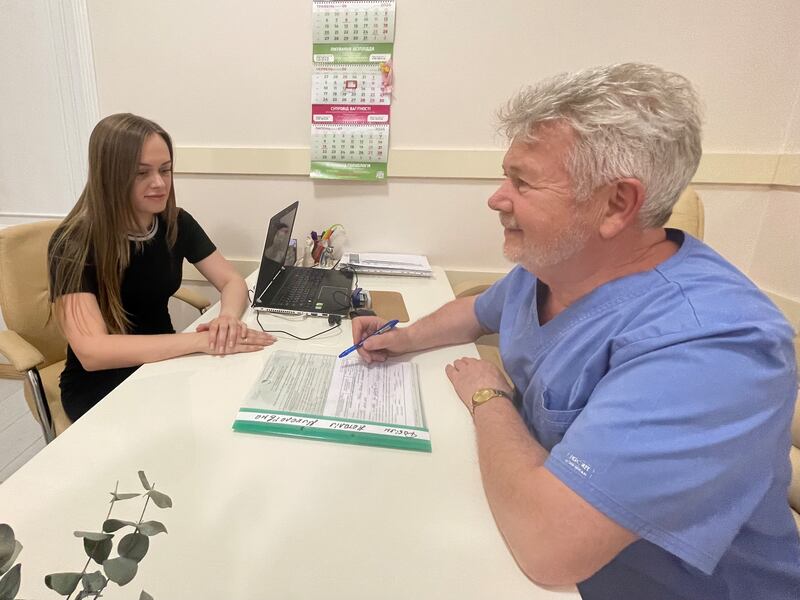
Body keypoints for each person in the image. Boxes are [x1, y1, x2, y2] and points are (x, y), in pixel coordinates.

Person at [352, 64, 800, 599]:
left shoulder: (713, 347)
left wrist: (489, 396)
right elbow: (477, 312)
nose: (497, 199)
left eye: (522, 182)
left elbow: (550, 549)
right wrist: (400, 338)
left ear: (615, 204)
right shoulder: (551, 267)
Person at [49, 113, 275, 422]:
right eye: (141, 173)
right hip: (101, 384)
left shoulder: (176, 223)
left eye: (165, 170)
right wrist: (199, 340)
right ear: (110, 176)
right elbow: (93, 352)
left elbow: (232, 281)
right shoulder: (73, 243)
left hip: (165, 362)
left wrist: (227, 321)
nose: (159, 183)